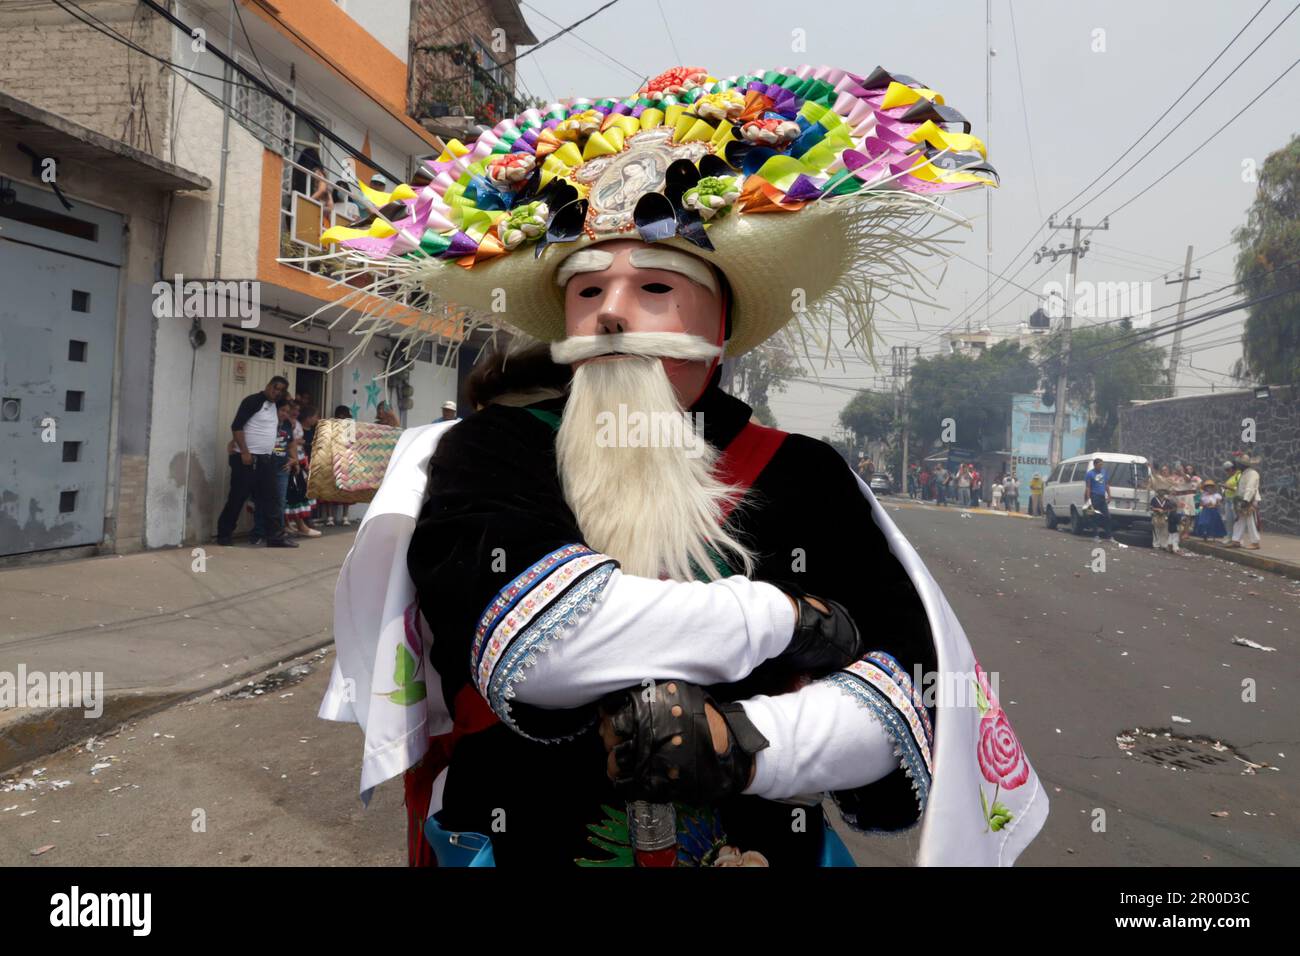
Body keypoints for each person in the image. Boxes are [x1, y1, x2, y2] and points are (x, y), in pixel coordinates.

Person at [318, 61, 1043, 867]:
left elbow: (910, 689)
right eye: (586, 292)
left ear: (719, 327)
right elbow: (543, 647)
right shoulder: (492, 450)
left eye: (655, 285)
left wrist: (748, 744)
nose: (614, 313)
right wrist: (789, 621)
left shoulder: (803, 475)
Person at [216, 376, 298, 548]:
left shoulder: (276, 405)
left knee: (272, 498)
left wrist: (285, 396)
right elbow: (237, 426)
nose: (277, 392)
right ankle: (224, 535)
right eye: (275, 388)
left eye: (281, 390)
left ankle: (275, 537)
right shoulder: (253, 401)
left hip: (266, 459)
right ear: (267, 385)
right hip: (247, 459)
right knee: (237, 497)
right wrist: (244, 451)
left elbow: (290, 403)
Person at [249, 402, 295, 546]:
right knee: (261, 501)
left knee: (279, 502)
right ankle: (258, 533)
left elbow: (291, 443)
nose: (284, 413)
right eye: (282, 410)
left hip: (282, 468)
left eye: (287, 411)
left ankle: (277, 535)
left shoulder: (287, 426)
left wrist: (294, 459)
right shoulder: (267, 424)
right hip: (265, 466)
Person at [321, 404, 355, 528]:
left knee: (345, 489)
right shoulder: (329, 425)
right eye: (345, 416)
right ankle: (330, 518)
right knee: (330, 489)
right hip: (331, 459)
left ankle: (345, 517)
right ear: (340, 416)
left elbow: (351, 444)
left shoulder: (350, 427)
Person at [1229, 453, 1262, 550]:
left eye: (1239, 463)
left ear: (1243, 465)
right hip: (1243, 499)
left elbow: (1250, 488)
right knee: (1240, 519)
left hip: (1249, 500)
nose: (1237, 465)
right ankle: (1236, 540)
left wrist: (1246, 500)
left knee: (1250, 520)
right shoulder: (1244, 473)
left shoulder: (1252, 473)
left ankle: (1255, 542)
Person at [1083, 456, 1112, 540]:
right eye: (1099, 465)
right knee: (1095, 516)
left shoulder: (1104, 472)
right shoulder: (1090, 474)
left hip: (1102, 497)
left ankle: (1109, 536)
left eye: (1102, 465)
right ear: (1095, 465)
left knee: (1107, 516)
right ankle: (1096, 535)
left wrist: (1109, 495)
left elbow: (1106, 484)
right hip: (1094, 496)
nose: (1101, 466)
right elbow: (1088, 487)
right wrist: (1088, 499)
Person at [1149, 484, 1177, 552]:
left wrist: (1165, 511)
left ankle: (1163, 545)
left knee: (1164, 531)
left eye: (1163, 491)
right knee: (1156, 531)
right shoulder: (1154, 499)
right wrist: (1157, 509)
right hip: (1156, 516)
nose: (1162, 492)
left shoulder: (1167, 500)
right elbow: (1151, 507)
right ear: (1158, 492)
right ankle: (1156, 545)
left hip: (1165, 516)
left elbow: (1172, 508)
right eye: (1160, 491)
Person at [1220, 459, 1238, 532]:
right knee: (1229, 520)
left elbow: (1238, 488)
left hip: (1234, 500)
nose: (1226, 472)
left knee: (1236, 519)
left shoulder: (1238, 476)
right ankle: (1229, 536)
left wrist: (1227, 487)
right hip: (1228, 500)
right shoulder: (1230, 478)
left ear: (1231, 469)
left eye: (1227, 470)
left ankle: (1236, 538)